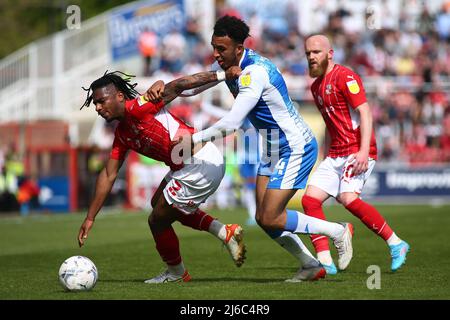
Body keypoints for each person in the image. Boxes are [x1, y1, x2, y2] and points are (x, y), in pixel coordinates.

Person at [157, 15, 354, 282]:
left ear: (239, 48)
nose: (216, 54)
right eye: (214, 47)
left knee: (272, 216)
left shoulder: (254, 72)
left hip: (294, 146)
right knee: (264, 218)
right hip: (271, 145)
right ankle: (309, 264)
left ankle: (338, 230)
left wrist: (195, 139)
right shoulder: (232, 68)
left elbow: (233, 122)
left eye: (221, 49)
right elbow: (192, 89)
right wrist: (167, 89)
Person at [77, 69, 247, 284]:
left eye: (101, 101)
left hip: (200, 164)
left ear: (119, 96)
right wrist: (90, 217)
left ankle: (177, 273)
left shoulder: (139, 107)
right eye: (95, 104)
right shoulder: (122, 134)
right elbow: (109, 174)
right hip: (185, 167)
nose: (98, 108)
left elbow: (179, 85)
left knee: (157, 220)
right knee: (158, 203)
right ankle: (224, 232)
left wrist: (223, 75)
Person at [302, 34, 410, 274]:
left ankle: (396, 243)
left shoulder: (346, 77)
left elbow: (365, 112)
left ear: (330, 53)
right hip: (336, 153)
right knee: (309, 200)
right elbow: (332, 124)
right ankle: (324, 258)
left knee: (348, 198)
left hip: (356, 149)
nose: (311, 57)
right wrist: (325, 153)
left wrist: (363, 151)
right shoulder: (316, 86)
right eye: (308, 53)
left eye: (316, 52)